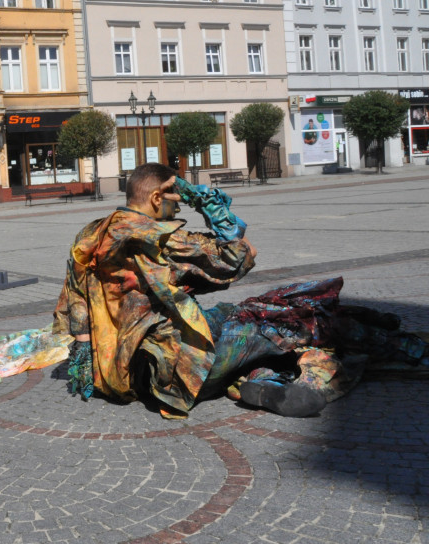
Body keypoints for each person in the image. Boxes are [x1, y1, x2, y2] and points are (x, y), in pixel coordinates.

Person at [54, 162, 428, 419]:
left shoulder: (90, 235)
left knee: (246, 311)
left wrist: (91, 367)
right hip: (183, 368)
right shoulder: (161, 239)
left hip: (129, 375)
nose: (177, 206)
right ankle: (409, 348)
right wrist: (209, 206)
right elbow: (239, 253)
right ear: (156, 198)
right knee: (289, 319)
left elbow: (75, 314)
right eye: (175, 199)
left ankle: (259, 381)